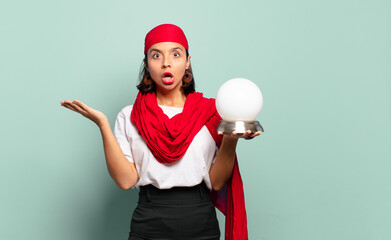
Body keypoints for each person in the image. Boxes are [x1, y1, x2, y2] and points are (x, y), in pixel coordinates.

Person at [61, 23, 262, 240]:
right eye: (156, 56)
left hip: (200, 220)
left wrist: (231, 139)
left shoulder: (211, 113)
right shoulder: (129, 116)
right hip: (149, 220)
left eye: (176, 54)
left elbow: (217, 182)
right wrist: (102, 124)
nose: (166, 63)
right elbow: (125, 181)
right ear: (147, 65)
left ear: (187, 62)